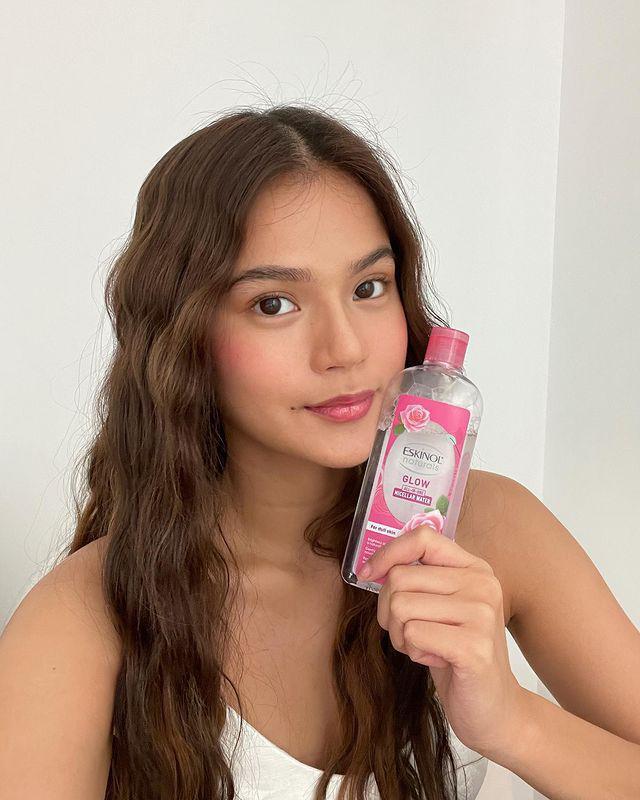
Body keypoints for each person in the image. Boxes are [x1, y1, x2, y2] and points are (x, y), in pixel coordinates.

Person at [2, 104, 638, 800]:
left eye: (370, 288)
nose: (345, 350)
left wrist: (514, 721)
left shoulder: (492, 530)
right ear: (184, 336)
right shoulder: (88, 615)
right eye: (275, 304)